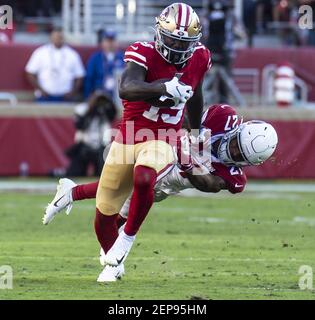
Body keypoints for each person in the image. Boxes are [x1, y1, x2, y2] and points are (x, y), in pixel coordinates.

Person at [44, 3, 211, 283]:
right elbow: (127, 87)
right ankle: (109, 255)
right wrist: (162, 86)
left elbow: (196, 94)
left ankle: (126, 242)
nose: (176, 47)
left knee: (145, 178)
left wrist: (195, 131)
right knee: (104, 214)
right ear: (160, 33)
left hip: (163, 137)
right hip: (129, 136)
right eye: (171, 39)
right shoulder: (143, 52)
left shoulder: (200, 57)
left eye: (184, 42)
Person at [43, 104, 278, 281]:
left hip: (174, 181)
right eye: (236, 143)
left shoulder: (236, 179)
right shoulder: (223, 117)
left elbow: (209, 184)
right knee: (133, 185)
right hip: (169, 148)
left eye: (240, 155)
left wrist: (188, 162)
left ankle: (72, 193)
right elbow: (189, 115)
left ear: (248, 163)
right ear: (239, 130)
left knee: (120, 211)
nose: (233, 151)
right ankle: (113, 264)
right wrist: (183, 133)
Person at [25, 27, 85, 102]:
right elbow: (30, 72)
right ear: (50, 38)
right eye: (55, 37)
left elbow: (79, 75)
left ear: (63, 38)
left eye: (60, 37)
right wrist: (40, 90)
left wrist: (73, 92)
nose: (57, 39)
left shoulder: (72, 54)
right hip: (44, 96)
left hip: (65, 96)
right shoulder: (40, 52)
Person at [65, 91, 117, 177]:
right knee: (74, 174)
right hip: (84, 144)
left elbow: (112, 115)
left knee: (104, 175)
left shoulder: (105, 108)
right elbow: (79, 125)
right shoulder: (82, 108)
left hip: (102, 145)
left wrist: (108, 101)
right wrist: (91, 108)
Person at [84, 30, 125, 99]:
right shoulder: (95, 58)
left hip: (118, 94)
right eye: (107, 41)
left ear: (116, 42)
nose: (110, 44)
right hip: (99, 94)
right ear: (102, 43)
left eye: (112, 41)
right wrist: (88, 97)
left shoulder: (123, 57)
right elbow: (89, 78)